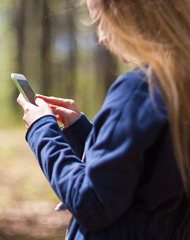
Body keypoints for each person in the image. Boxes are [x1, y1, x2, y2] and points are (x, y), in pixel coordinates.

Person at [16, 0, 190, 239]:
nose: (101, 38)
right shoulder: (177, 86)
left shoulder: (139, 90)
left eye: (102, 23)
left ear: (131, 16)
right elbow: (144, 169)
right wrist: (81, 132)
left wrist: (41, 129)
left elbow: (91, 202)